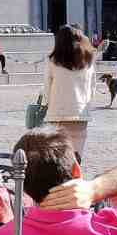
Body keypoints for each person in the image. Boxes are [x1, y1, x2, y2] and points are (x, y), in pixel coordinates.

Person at [43, 25, 96, 158]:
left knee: (58, 154)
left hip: (58, 112)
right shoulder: (88, 61)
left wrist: (47, 104)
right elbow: (92, 88)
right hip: (80, 112)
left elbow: (47, 88)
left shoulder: (53, 61)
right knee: (77, 154)